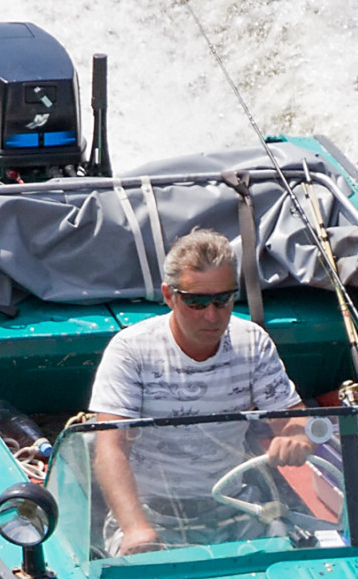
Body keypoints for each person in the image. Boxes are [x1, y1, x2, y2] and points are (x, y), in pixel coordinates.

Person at [85, 230, 314, 553]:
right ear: (169, 296)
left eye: (223, 300)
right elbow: (111, 447)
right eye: (196, 302)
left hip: (237, 507)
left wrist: (297, 437)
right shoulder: (131, 350)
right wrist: (136, 528)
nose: (212, 315)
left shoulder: (253, 341)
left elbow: (293, 419)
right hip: (151, 514)